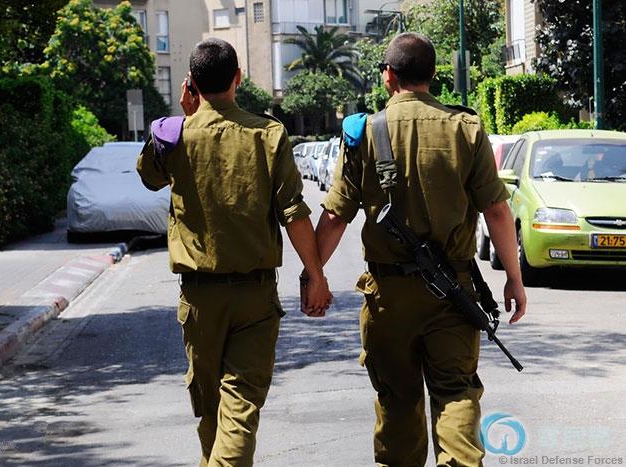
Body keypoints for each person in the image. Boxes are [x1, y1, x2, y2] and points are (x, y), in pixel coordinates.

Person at [312, 32, 527, 466]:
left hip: (388, 297)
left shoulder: (366, 133)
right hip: (453, 293)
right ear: (433, 75)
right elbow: (498, 212)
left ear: (388, 76)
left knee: (397, 399)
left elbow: (335, 216)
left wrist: (313, 275)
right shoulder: (465, 128)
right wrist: (514, 279)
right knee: (456, 393)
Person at [136, 38, 332, 466]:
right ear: (238, 78)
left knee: (212, 411)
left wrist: (188, 119)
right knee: (237, 410)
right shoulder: (268, 134)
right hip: (254, 297)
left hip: (199, 299)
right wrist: (315, 275)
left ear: (190, 83)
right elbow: (294, 212)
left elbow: (149, 177)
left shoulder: (174, 137)